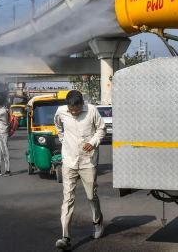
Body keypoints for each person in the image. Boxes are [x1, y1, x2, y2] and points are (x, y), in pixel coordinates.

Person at [54, 90, 106, 250]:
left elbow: (101, 129)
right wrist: (64, 141)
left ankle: (97, 222)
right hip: (69, 161)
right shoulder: (61, 112)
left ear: (82, 104)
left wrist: (93, 142)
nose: (74, 112)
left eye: (76, 109)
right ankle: (65, 236)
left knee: (91, 195)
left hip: (87, 161)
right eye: (71, 109)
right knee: (67, 198)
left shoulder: (92, 111)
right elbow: (58, 127)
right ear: (67, 106)